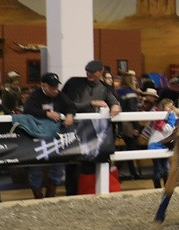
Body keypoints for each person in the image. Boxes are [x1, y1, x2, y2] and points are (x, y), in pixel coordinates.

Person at [63, 59, 122, 195]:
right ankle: (71, 193)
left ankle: (87, 192)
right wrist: (91, 103)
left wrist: (115, 105)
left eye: (92, 72)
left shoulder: (104, 88)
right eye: (87, 71)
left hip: (92, 132)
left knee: (90, 164)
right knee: (72, 163)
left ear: (100, 72)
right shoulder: (74, 83)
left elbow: (113, 99)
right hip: (73, 129)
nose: (88, 74)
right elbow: (66, 103)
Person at [23, 73, 75, 199]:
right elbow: (28, 110)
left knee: (58, 166)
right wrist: (46, 114)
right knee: (36, 167)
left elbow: (71, 105)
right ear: (43, 86)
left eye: (56, 87)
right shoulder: (35, 96)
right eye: (52, 87)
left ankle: (51, 193)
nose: (55, 90)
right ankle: (38, 196)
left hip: (55, 137)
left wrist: (69, 115)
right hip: (37, 137)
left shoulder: (60, 95)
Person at [115, 71, 143, 180]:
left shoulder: (118, 92)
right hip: (130, 125)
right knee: (131, 149)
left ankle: (120, 172)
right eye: (134, 79)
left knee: (124, 149)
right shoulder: (131, 93)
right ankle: (131, 173)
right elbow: (132, 110)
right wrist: (136, 127)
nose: (136, 81)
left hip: (120, 124)